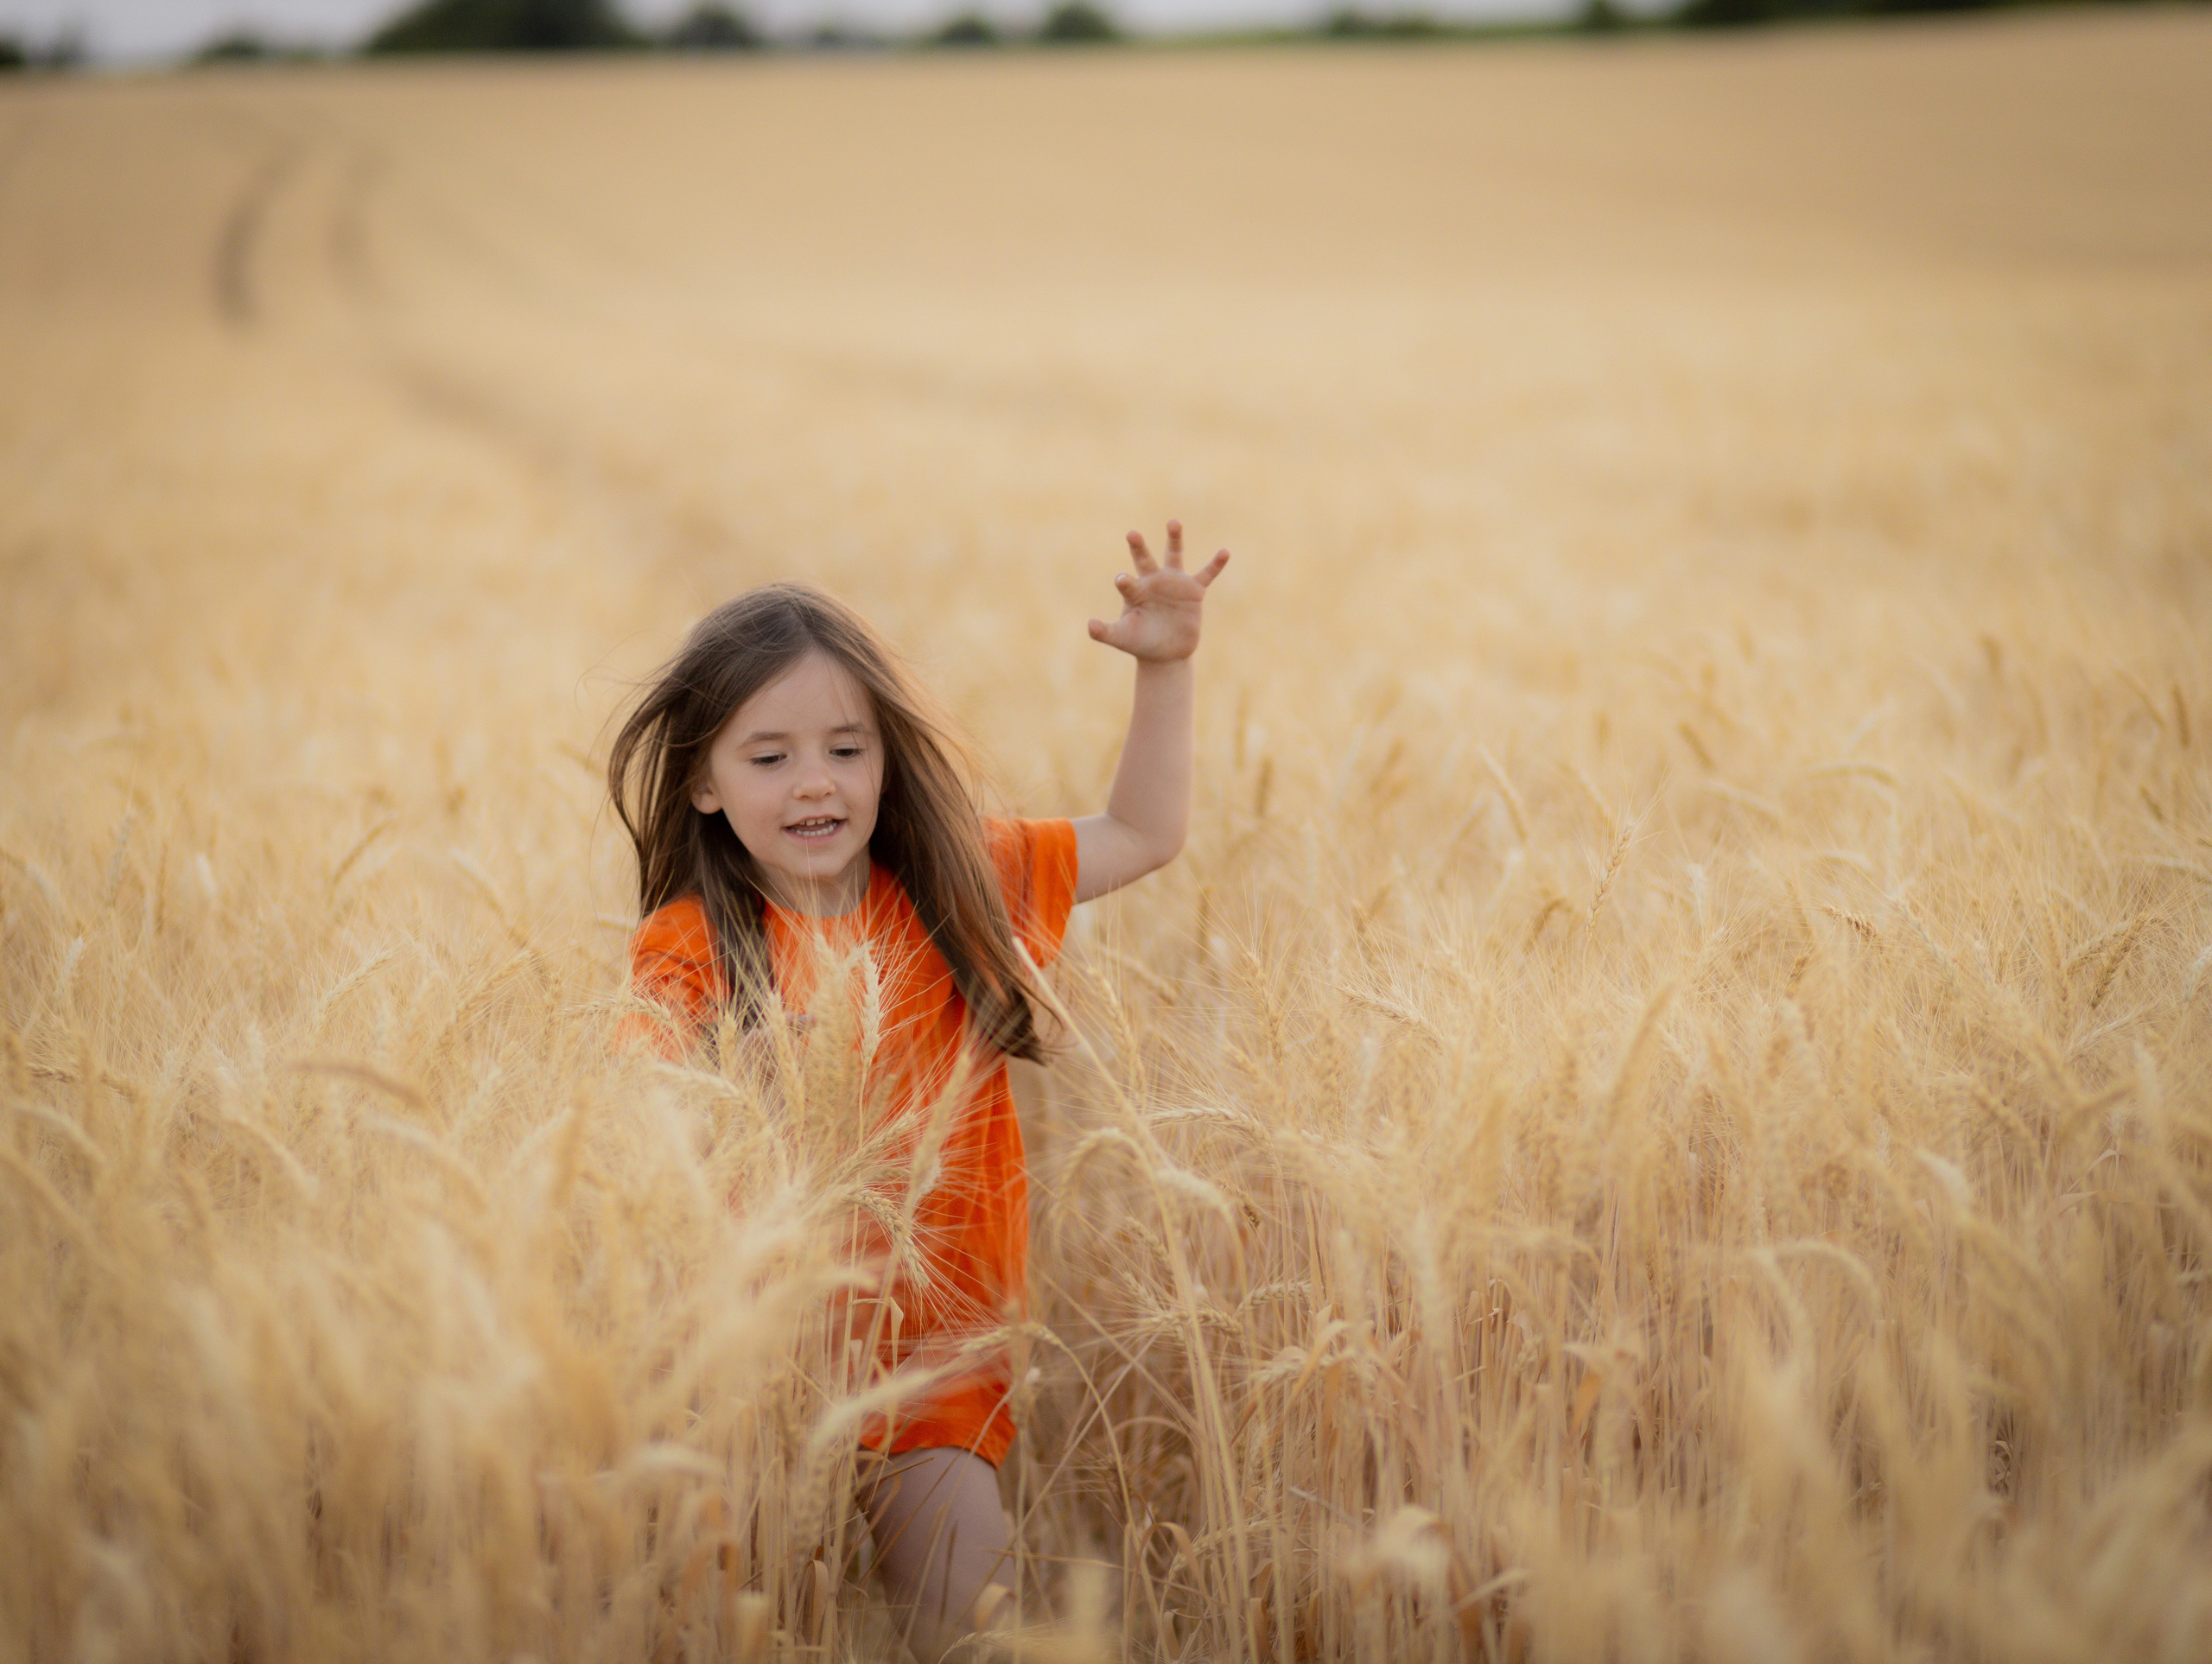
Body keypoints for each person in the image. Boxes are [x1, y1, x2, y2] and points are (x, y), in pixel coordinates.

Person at [607, 522, 1229, 1660]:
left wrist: (1165, 666)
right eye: (770, 755)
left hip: (934, 1363)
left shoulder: (959, 883)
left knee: (974, 1625)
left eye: (847, 748)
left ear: (887, 759)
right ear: (701, 780)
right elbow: (638, 1070)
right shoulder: (695, 939)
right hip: (752, 1368)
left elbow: (1143, 831)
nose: (816, 783)